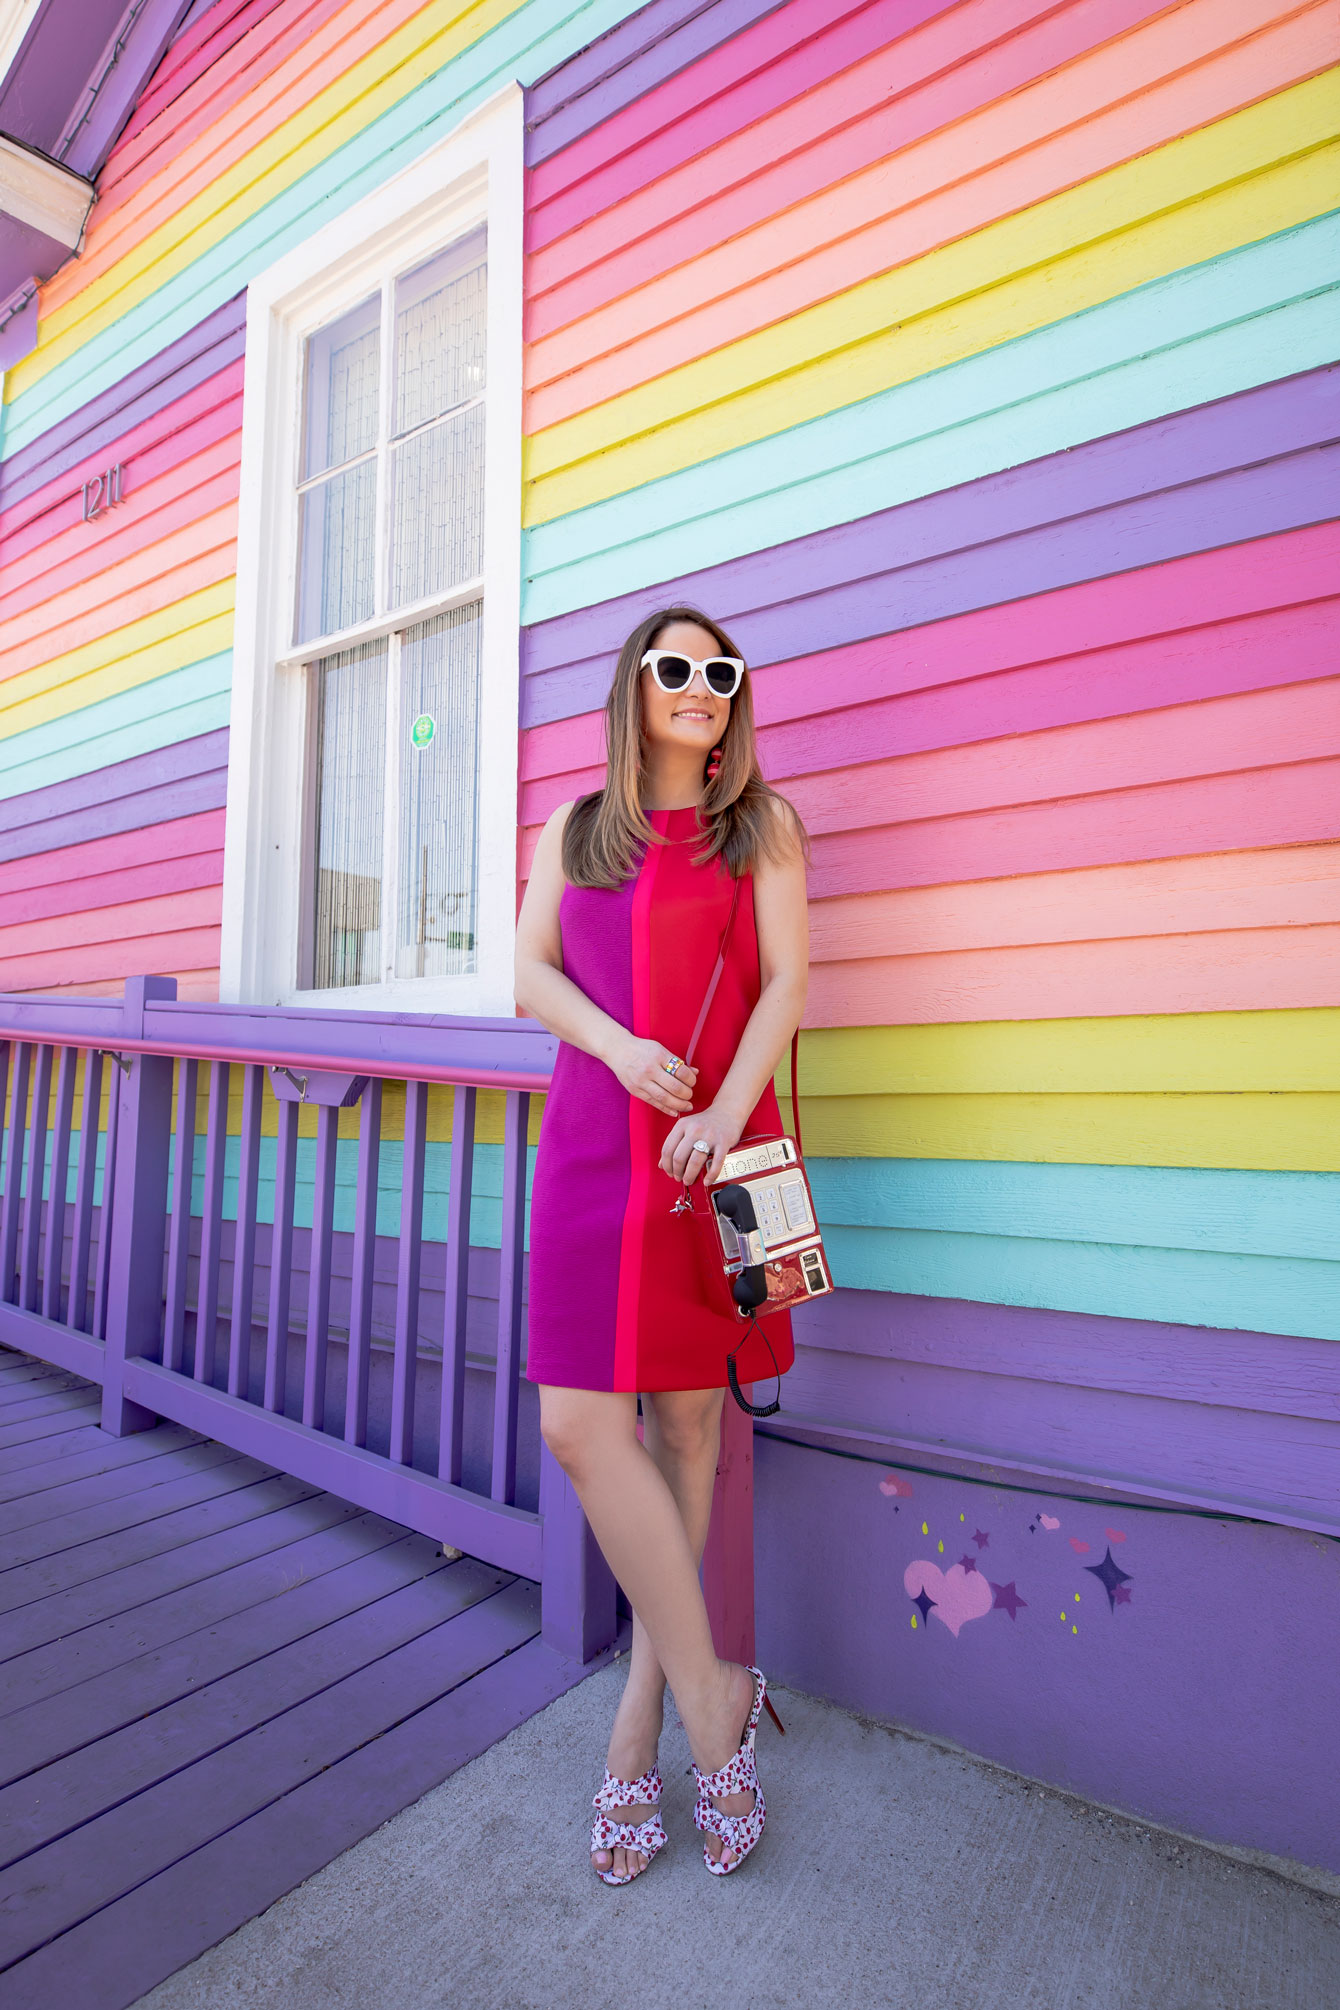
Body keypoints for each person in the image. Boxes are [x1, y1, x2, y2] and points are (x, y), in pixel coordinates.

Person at [514, 606, 809, 1885]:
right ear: (634, 690)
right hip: (596, 1141)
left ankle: (637, 1729)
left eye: (718, 673)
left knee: (692, 1429)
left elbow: (789, 984)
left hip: (724, 1153)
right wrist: (623, 1050)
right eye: (674, 669)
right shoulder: (576, 831)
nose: (700, 688)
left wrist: (721, 1110)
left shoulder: (763, 827)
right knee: (581, 1423)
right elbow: (526, 977)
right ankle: (713, 1692)